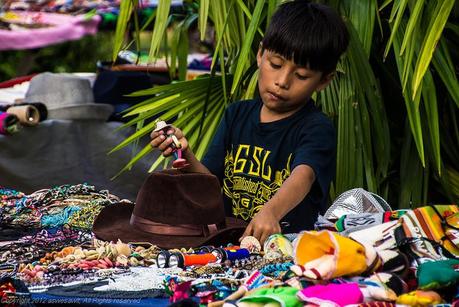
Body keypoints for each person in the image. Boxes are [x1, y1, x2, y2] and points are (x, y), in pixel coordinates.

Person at [150, 0, 349, 244]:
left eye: (301, 75)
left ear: (323, 81)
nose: (282, 81)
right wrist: (184, 151)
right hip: (228, 245)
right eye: (275, 64)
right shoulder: (236, 114)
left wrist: (271, 212)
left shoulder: (315, 127)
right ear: (259, 54)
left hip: (287, 249)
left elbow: (303, 176)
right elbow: (210, 183)